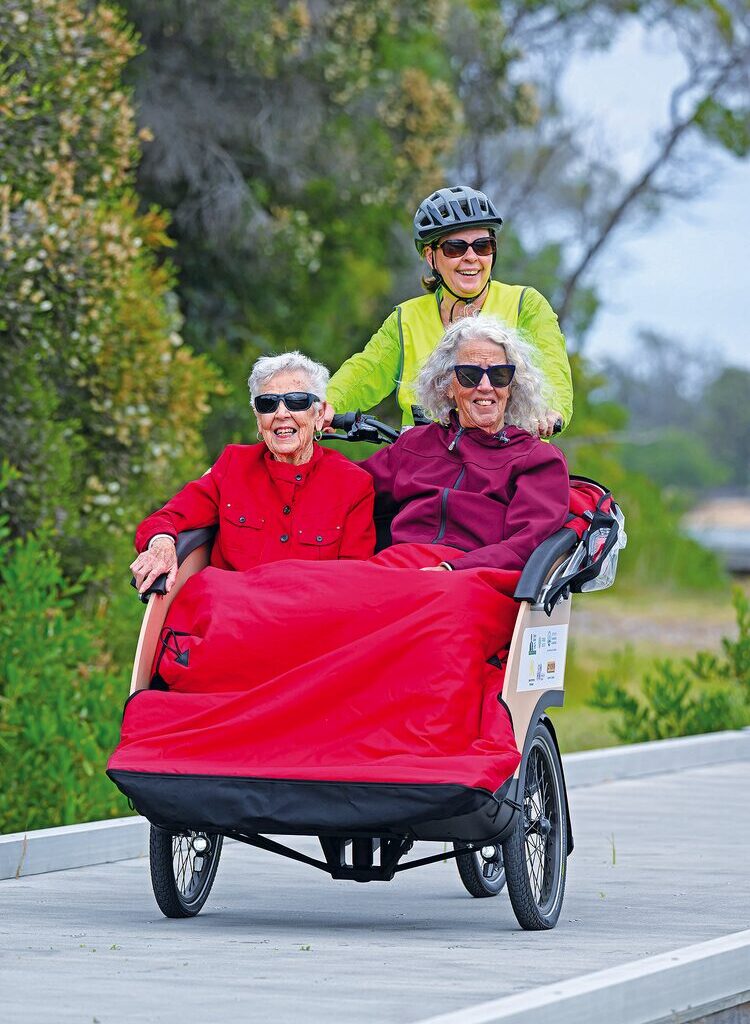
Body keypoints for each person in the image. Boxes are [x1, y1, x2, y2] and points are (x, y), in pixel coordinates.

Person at [325, 184, 572, 435]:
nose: (471, 257)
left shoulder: (525, 304)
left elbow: (552, 367)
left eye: (482, 246)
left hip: (508, 459)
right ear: (431, 257)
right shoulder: (406, 318)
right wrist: (326, 406)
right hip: (426, 462)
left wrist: (552, 411)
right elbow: (364, 372)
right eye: (455, 248)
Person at [130, 352, 375, 594]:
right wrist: (161, 544)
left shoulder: (353, 484)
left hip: (310, 621)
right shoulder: (233, 466)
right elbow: (167, 518)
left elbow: (353, 583)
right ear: (259, 420)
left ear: (319, 414)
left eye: (297, 401)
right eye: (268, 404)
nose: (281, 414)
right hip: (230, 615)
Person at [360, 313, 570, 572]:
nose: (485, 386)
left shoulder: (537, 460)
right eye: (469, 375)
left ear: (512, 386)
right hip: (398, 567)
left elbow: (526, 546)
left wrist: (451, 568)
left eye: (499, 375)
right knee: (309, 583)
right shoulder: (414, 445)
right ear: (448, 386)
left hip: (475, 578)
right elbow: (347, 487)